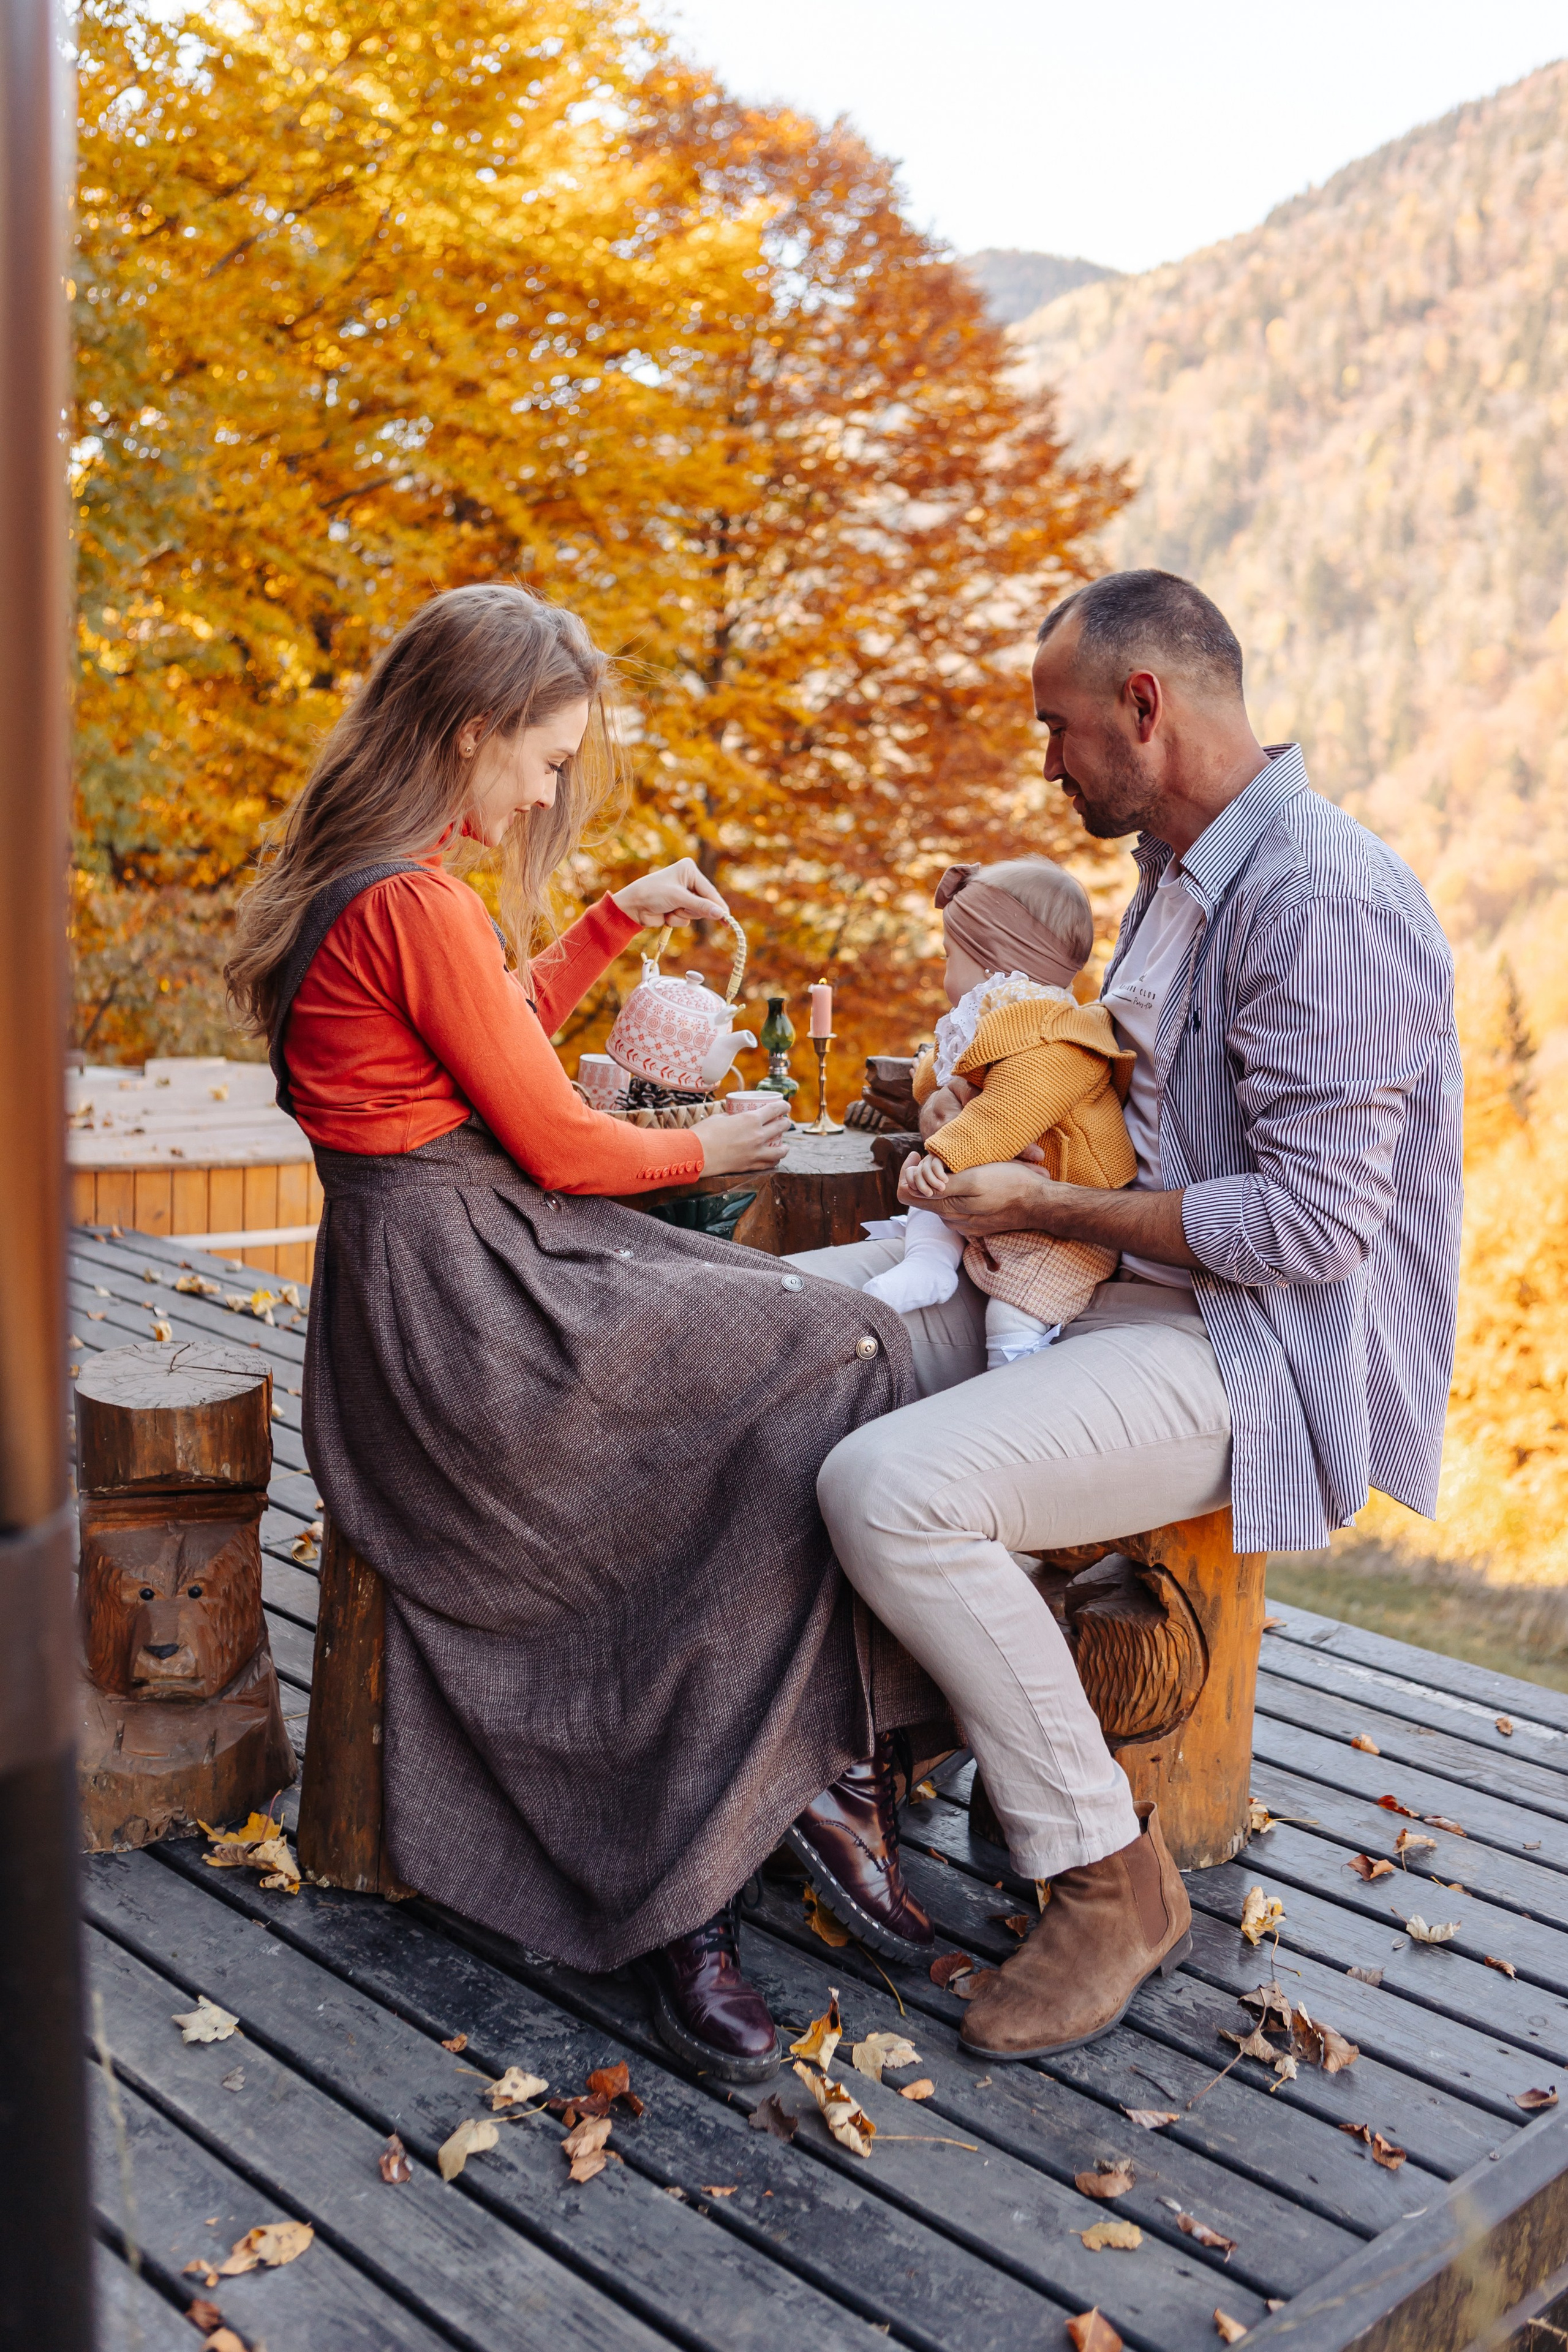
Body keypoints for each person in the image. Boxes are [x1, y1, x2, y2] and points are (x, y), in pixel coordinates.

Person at [225, 582, 940, 2085]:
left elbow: (488, 1042)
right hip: (472, 1312)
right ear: (473, 733)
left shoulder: (372, 880)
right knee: (833, 1346)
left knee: (818, 1340)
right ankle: (729, 1843)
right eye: (545, 760)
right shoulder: (411, 899)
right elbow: (553, 1137)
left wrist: (615, 918)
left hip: (426, 1281)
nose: (551, 790)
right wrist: (719, 1149)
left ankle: (802, 1771)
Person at [796, 568, 1463, 2062]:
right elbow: (1120, 1096)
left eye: (1056, 724)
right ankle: (838, 1764)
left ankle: (1109, 1879)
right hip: (1113, 1291)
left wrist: (1037, 1210)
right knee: (792, 1331)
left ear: (1143, 707)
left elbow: (1308, 1226)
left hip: (1249, 1350)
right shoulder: (1181, 870)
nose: (1044, 760)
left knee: (890, 1487)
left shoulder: (1316, 896)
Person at [862, 856, 1136, 1368]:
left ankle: (1011, 1377)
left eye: (949, 956)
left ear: (992, 963)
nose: (944, 973)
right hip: (1003, 1197)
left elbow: (1006, 1113)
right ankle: (930, 1266)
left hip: (1066, 1224)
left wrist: (943, 1154)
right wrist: (937, 1095)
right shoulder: (996, 1023)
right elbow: (942, 1068)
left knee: (1015, 1312)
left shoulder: (1056, 1038)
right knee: (930, 1197)